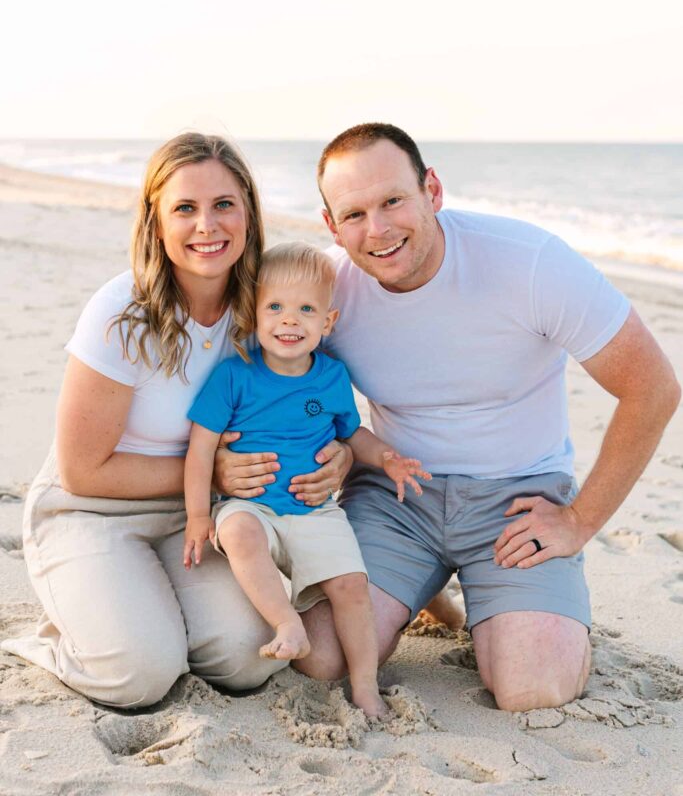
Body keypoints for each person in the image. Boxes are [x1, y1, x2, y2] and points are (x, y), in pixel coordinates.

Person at [294, 122, 681, 712]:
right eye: (354, 214)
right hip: (397, 499)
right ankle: (424, 588)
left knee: (533, 689)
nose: (377, 229)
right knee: (323, 659)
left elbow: (652, 388)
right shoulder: (324, 292)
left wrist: (579, 520)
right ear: (331, 225)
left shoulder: (529, 263)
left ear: (433, 191)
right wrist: (343, 452)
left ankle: (512, 606)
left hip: (517, 499)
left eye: (393, 200)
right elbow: (288, 392)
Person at [0, 133, 351, 707]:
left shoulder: (265, 307)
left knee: (245, 659)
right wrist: (211, 473)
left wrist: (339, 453)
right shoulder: (122, 311)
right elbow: (84, 471)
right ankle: (67, 636)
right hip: (90, 509)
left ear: (248, 213)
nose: (207, 226)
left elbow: (313, 393)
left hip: (200, 519)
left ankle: (145, 616)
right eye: (184, 208)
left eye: (223, 205)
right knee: (138, 674)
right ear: (156, 222)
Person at [182, 242, 429, 717]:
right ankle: (286, 623)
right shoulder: (234, 376)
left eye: (305, 310)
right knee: (236, 531)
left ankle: (365, 686)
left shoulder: (332, 377)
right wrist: (197, 515)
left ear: (327, 323)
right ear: (254, 313)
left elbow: (352, 433)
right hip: (251, 504)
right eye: (275, 307)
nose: (289, 321)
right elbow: (200, 451)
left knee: (353, 586)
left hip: (314, 509)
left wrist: (387, 458)